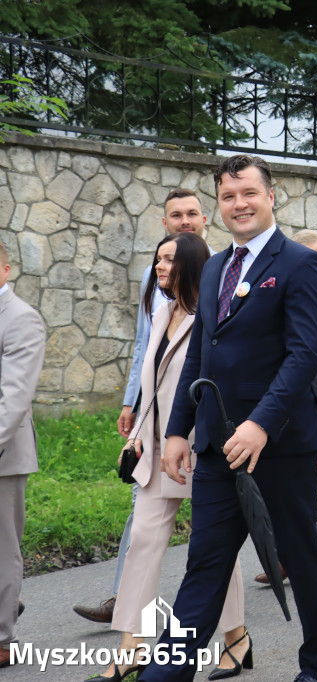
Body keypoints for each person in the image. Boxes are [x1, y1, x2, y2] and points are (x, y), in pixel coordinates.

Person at [140, 155, 317, 682]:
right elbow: (200, 355)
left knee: (301, 558)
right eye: (228, 197)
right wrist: (179, 429)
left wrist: (261, 424)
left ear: (271, 197)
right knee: (203, 567)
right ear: (218, 206)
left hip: (281, 445)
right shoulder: (213, 269)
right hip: (214, 448)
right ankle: (163, 676)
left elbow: (303, 357)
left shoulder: (299, 264)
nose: (239, 204)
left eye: (249, 193)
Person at [87, 233, 251, 681]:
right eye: (157, 259)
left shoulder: (213, 318)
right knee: (143, 540)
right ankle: (132, 645)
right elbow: (154, 388)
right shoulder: (162, 312)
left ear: (193, 265)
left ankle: (235, 636)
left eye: (169, 260)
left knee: (216, 548)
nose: (159, 267)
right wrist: (137, 434)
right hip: (158, 449)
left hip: (204, 448)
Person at [75, 188, 212, 625]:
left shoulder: (218, 282)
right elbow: (144, 349)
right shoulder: (156, 289)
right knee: (145, 528)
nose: (185, 220)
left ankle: (234, 634)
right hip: (154, 430)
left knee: (213, 539)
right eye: (177, 214)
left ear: (204, 219)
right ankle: (129, 629)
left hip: (198, 433)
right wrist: (132, 407)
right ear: (165, 221)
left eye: (192, 213)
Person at [251, 230, 317, 588]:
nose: (314, 260)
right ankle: (289, 557)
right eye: (306, 254)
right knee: (285, 490)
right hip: (288, 406)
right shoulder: (281, 290)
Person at [0, 241, 46, 670]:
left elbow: (12, 399)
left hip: (3, 456)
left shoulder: (20, 319)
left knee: (1, 549)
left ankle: (2, 638)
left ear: (6, 270)